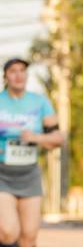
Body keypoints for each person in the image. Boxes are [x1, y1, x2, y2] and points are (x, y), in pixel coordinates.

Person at [0, 58, 64, 247]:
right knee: (8, 232)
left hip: (29, 174)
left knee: (29, 237)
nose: (18, 75)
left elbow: (58, 138)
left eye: (22, 71)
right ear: (6, 76)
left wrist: (37, 138)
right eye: (13, 71)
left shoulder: (39, 102)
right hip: (2, 174)